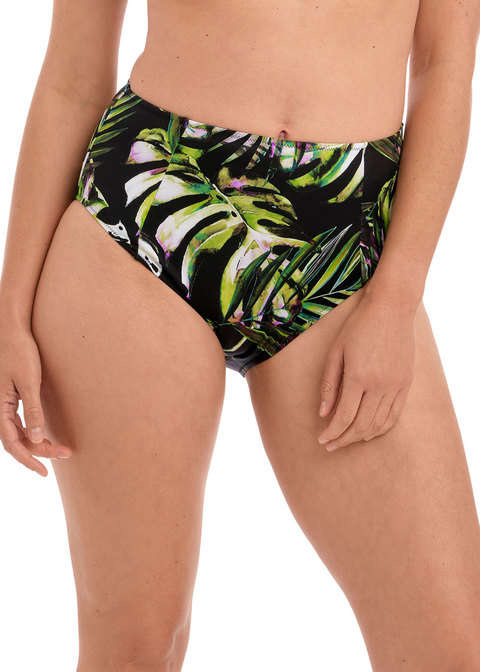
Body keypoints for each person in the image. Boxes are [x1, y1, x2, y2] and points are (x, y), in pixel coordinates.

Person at [1, 1, 479, 670]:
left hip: (343, 240)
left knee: (452, 650)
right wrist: (10, 313)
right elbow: (73, 78)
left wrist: (397, 298)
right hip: (150, 196)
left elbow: (444, 67)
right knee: (136, 646)